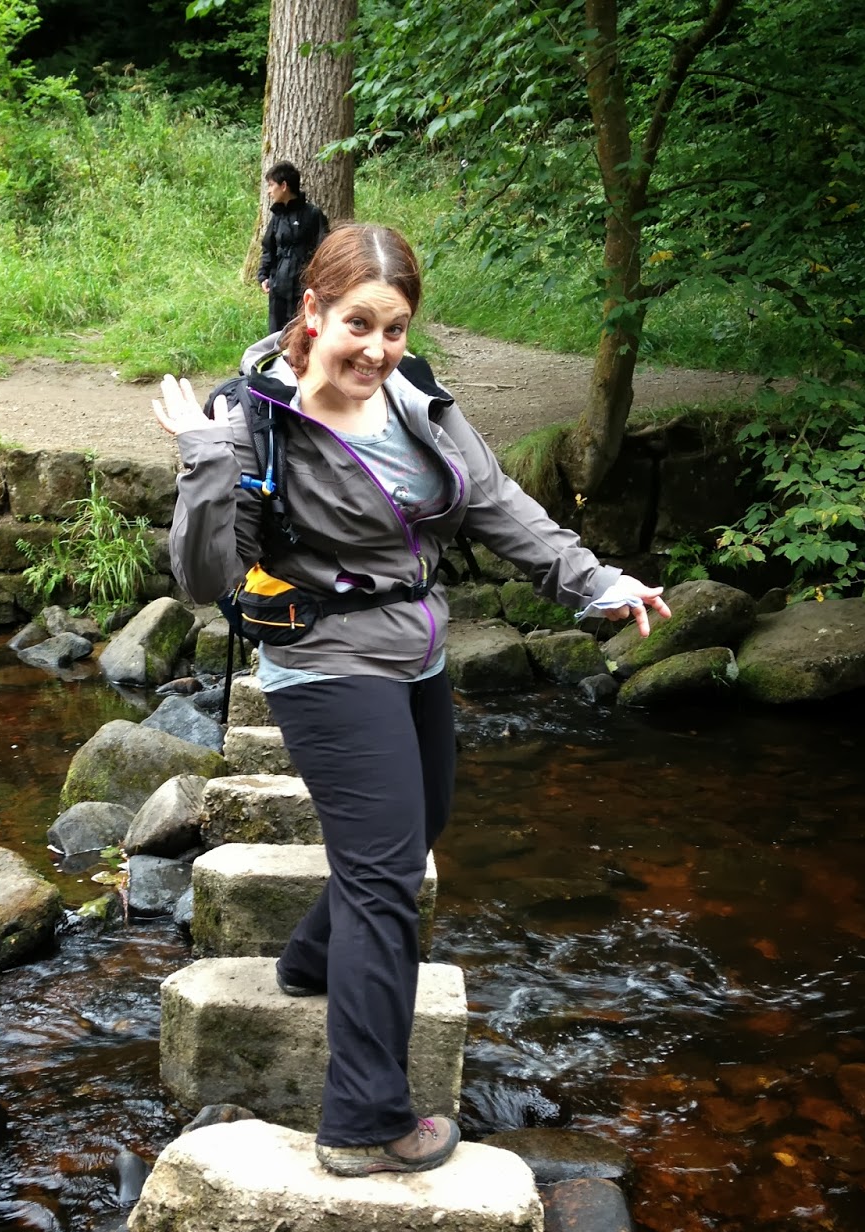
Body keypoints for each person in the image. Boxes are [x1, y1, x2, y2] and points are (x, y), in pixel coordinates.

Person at [154, 224, 669, 1179]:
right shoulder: (254, 424)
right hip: (324, 657)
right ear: (313, 312)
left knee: (422, 821)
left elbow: (494, 500)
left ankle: (311, 961)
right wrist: (204, 456)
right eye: (359, 324)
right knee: (387, 875)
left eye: (394, 329)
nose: (378, 349)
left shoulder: (417, 396)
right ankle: (362, 1122)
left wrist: (593, 580)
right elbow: (201, 575)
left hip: (415, 644)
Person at [257, 162, 328, 335]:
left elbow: (324, 251)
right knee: (276, 335)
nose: (269, 191)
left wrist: (317, 282)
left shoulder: (313, 215)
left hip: (303, 286)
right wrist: (263, 276)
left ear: (284, 186)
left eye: (271, 185)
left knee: (301, 333)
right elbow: (269, 248)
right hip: (278, 286)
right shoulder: (277, 217)